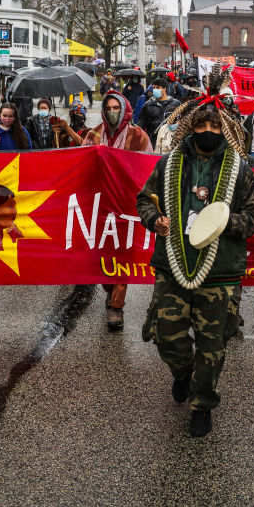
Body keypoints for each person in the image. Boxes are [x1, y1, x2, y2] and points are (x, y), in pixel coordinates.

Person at [137, 66, 254, 437]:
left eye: (214, 128)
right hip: (172, 265)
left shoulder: (240, 169)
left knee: (212, 347)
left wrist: (225, 224)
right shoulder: (167, 166)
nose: (207, 133)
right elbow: (143, 199)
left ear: (222, 129)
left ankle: (202, 404)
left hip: (221, 270)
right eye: (200, 127)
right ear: (190, 129)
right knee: (167, 335)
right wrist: (154, 219)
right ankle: (183, 373)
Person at [83, 91, 152, 329]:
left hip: (126, 206)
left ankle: (116, 308)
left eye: (116, 108)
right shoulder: (93, 135)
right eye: (109, 108)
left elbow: (147, 169)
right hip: (100, 207)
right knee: (102, 256)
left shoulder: (138, 135)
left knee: (123, 255)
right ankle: (109, 290)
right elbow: (81, 166)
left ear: (124, 110)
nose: (112, 112)